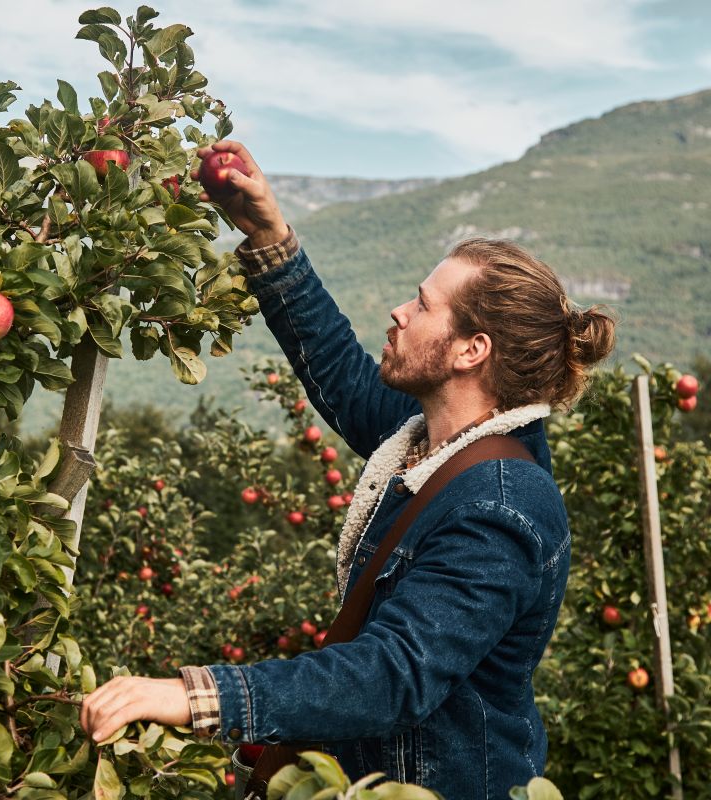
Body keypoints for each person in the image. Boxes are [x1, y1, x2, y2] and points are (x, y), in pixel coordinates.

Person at [79, 140, 617, 798]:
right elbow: (341, 375)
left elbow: (393, 673)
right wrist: (268, 233)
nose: (400, 312)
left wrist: (196, 695)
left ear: (472, 350)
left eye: (423, 306)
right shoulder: (431, 440)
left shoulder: (499, 508)